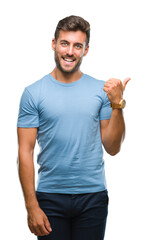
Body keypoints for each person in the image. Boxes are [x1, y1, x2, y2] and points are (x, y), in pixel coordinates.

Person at [17, 15, 130, 240]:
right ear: (54, 44)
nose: (70, 51)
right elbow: (24, 152)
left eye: (78, 45)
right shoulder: (33, 93)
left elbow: (113, 147)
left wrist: (117, 104)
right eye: (65, 43)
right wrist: (32, 206)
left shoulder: (101, 91)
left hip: (93, 197)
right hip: (50, 196)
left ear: (86, 50)